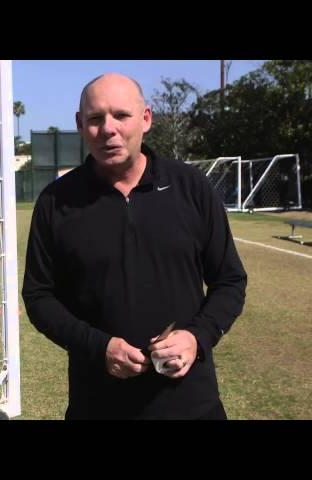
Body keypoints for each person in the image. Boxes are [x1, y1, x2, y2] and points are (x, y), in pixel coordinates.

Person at [22, 73, 247, 420]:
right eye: (95, 119)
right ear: (81, 125)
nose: (108, 129)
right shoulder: (56, 202)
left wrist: (196, 337)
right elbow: (39, 296)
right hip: (97, 405)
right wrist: (99, 348)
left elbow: (230, 281)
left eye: (121, 115)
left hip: (190, 405)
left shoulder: (191, 188)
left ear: (146, 119)